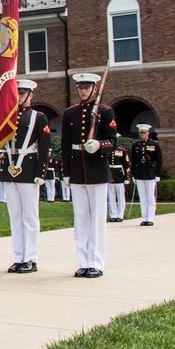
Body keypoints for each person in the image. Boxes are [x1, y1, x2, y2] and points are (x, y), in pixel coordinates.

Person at [60, 72, 117, 279]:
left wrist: (100, 145)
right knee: (81, 219)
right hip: (76, 169)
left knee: (97, 220)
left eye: (86, 88)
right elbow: (66, 145)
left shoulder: (105, 111)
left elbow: (113, 141)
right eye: (80, 88)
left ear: (94, 89)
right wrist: (66, 172)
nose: (82, 91)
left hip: (97, 171)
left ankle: (96, 262)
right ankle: (83, 262)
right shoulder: (70, 113)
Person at [2, 79, 51, 274]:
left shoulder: (38, 117)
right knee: (15, 216)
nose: (20, 96)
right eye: (17, 92)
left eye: (23, 93)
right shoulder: (7, 116)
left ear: (31, 95)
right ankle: (18, 256)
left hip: (29, 169)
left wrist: (41, 172)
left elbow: (45, 147)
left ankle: (30, 257)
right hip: (10, 168)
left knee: (29, 216)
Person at [130, 124, 163, 226]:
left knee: (150, 198)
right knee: (142, 197)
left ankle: (150, 218)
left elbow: (159, 160)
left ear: (148, 133)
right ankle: (144, 218)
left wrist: (157, 174)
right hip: (139, 173)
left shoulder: (154, 144)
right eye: (141, 132)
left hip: (150, 173)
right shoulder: (135, 145)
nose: (142, 134)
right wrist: (133, 174)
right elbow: (134, 161)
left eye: (144, 132)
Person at [108, 137, 129, 222]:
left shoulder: (122, 151)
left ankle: (120, 215)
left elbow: (126, 164)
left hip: (119, 174)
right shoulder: (107, 150)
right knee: (111, 196)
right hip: (110, 174)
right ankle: (113, 215)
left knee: (120, 196)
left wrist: (127, 177)